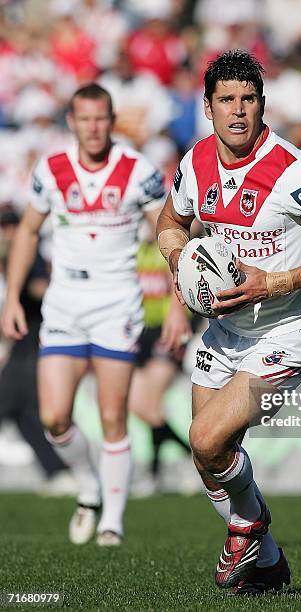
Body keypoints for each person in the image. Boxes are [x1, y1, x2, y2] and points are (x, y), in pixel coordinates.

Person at [156, 49, 301, 595]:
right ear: (207, 107)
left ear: (262, 104)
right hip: (226, 331)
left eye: (248, 99)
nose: (238, 111)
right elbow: (171, 219)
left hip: (286, 332)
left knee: (206, 438)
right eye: (226, 100)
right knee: (209, 459)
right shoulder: (197, 161)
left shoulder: (296, 171)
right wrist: (178, 260)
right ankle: (270, 561)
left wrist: (274, 282)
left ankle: (248, 526)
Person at [0, 83, 190, 546]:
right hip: (64, 302)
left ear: (112, 120)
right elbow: (27, 232)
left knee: (112, 416)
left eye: (101, 118)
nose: (93, 128)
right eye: (84, 119)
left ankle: (113, 519)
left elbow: (172, 237)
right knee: (54, 418)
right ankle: (88, 488)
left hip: (116, 303)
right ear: (71, 122)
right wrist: (11, 300)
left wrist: (178, 307)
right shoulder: (52, 169)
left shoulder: (137, 172)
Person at [0, 208, 75, 494]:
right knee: (23, 414)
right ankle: (56, 470)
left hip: (34, 344)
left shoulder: (27, 259)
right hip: (23, 346)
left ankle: (61, 470)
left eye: (10, 228)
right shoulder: (13, 260)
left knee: (29, 410)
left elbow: (41, 286)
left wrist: (36, 289)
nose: (6, 234)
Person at [128, 235, 191, 494]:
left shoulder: (170, 254)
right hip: (141, 334)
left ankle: (154, 474)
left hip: (168, 332)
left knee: (151, 406)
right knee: (140, 407)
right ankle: (191, 458)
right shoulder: (137, 252)